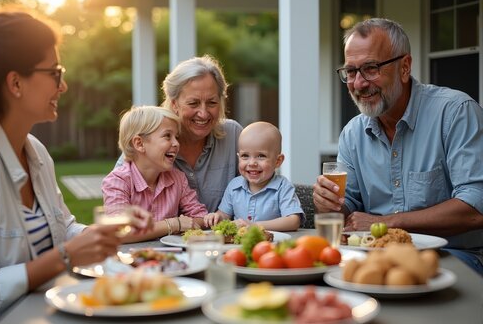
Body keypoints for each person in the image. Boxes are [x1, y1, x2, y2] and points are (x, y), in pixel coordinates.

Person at [0, 7, 153, 323]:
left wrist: (110, 227)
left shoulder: (34, 150)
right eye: (55, 73)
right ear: (16, 83)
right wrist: (64, 258)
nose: (62, 86)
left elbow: (62, 229)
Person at [313, 18, 483, 274]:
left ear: (404, 67)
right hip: (376, 259)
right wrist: (330, 204)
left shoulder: (455, 112)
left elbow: (475, 208)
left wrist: (387, 223)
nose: (358, 83)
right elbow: (347, 207)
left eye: (371, 68)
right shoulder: (352, 133)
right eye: (351, 71)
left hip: (453, 257)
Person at [116, 55, 241, 213]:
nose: (203, 113)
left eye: (212, 102)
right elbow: (118, 218)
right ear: (174, 104)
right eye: (193, 103)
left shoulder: (234, 135)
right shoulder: (147, 145)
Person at [102, 106, 208, 242]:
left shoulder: (178, 179)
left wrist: (194, 222)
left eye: (176, 137)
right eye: (167, 136)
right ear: (139, 143)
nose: (176, 144)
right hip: (130, 259)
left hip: (170, 258)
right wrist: (173, 224)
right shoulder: (117, 181)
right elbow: (118, 231)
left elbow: (200, 216)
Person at [204, 121, 304, 231]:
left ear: (278, 161)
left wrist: (254, 226)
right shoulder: (234, 186)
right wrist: (216, 217)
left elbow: (293, 221)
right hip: (240, 245)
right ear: (238, 157)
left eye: (261, 156)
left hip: (271, 245)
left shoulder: (283, 187)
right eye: (245, 156)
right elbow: (224, 215)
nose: (252, 163)